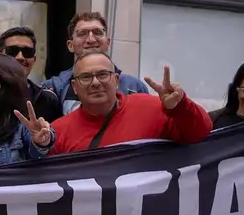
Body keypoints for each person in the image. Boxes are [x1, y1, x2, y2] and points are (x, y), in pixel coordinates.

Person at [49, 50, 211, 154]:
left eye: (103, 74)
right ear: (74, 87)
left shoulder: (151, 109)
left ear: (116, 80)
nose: (96, 83)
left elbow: (200, 132)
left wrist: (180, 106)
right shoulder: (58, 132)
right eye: (86, 77)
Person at [42, 13, 151, 116]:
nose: (91, 39)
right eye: (82, 33)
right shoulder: (53, 88)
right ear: (70, 45)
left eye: (97, 32)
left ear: (108, 42)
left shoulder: (134, 87)